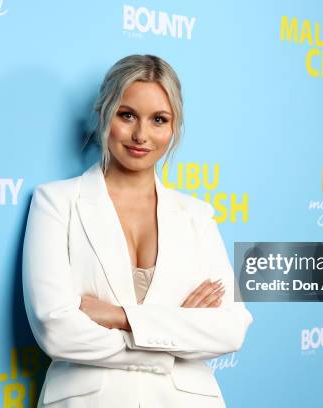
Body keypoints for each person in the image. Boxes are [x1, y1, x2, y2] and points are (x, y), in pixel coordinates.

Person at [22, 54, 253, 408]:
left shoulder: (196, 215)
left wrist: (119, 317)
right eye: (127, 115)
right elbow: (56, 329)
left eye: (158, 120)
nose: (141, 135)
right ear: (104, 114)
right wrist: (170, 339)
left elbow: (231, 328)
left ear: (173, 128)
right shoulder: (56, 202)